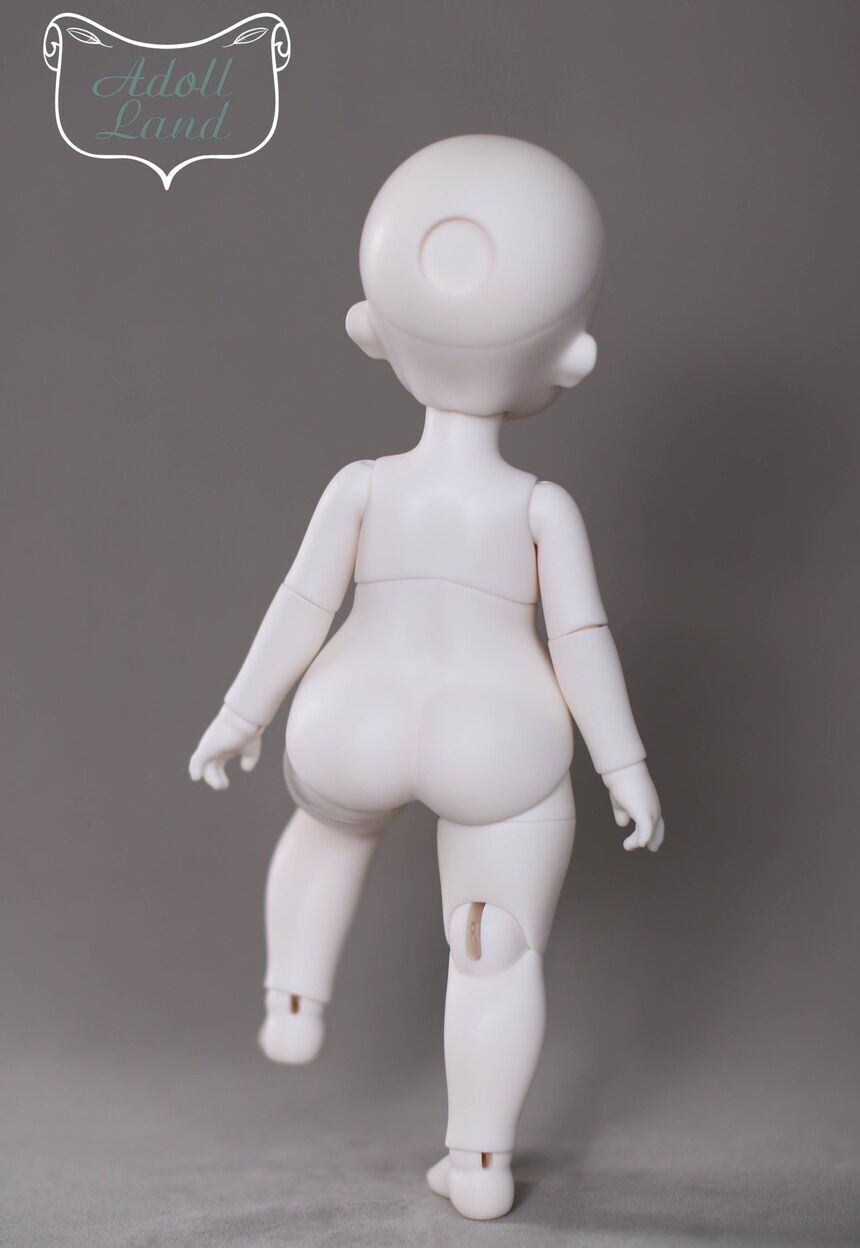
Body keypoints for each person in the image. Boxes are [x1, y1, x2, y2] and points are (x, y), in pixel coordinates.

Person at [189, 135, 664, 1220]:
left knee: (327, 822)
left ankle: (295, 995)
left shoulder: (360, 487)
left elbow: (301, 604)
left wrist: (240, 713)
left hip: (354, 707)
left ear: (370, 328)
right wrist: (623, 766)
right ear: (571, 359)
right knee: (496, 943)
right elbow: (581, 640)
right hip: (498, 734)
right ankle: (480, 1162)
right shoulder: (540, 509)